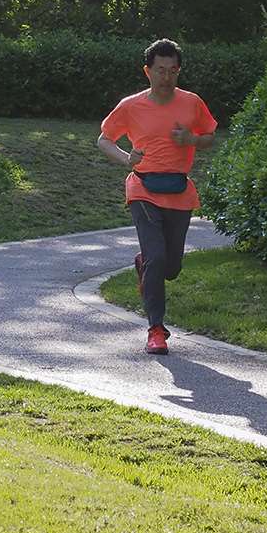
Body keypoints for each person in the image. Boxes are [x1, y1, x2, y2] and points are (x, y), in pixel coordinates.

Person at [98, 37, 217, 355]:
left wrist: (191, 138)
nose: (167, 76)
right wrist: (127, 159)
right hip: (143, 188)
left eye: (173, 70)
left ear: (178, 71)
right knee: (157, 256)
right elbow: (104, 140)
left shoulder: (191, 102)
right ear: (147, 71)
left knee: (171, 267)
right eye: (161, 70)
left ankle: (146, 265)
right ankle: (156, 330)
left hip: (179, 190)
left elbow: (209, 137)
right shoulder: (131, 105)